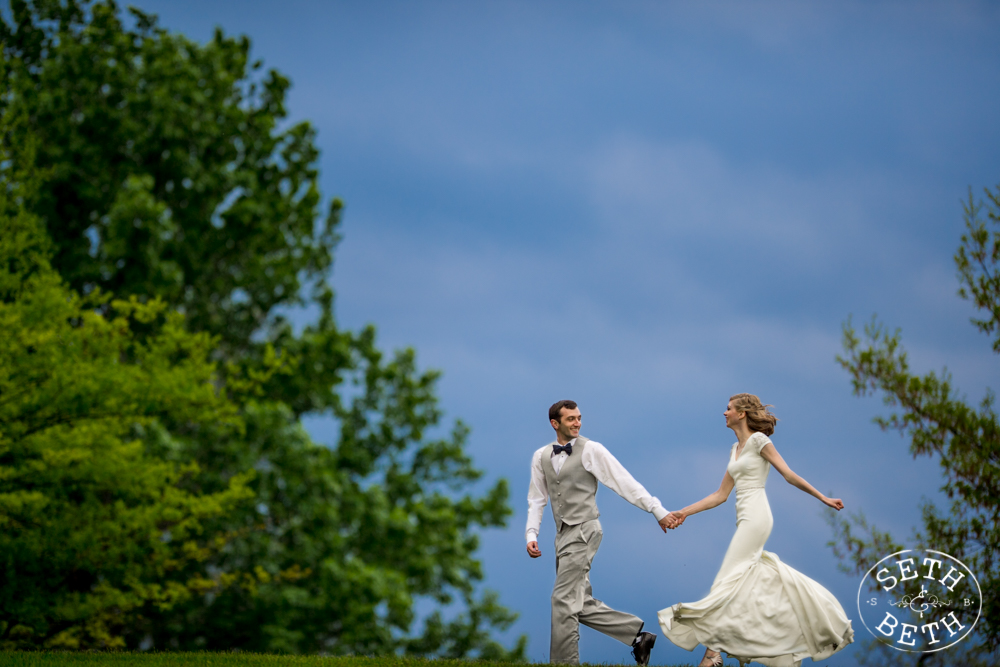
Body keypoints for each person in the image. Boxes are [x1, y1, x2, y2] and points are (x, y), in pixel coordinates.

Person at [657, 393, 854, 667]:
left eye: (728, 409)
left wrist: (823, 497)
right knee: (745, 584)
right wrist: (683, 512)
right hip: (744, 518)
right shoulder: (734, 449)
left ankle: (713, 655)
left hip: (757, 518)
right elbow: (720, 495)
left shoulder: (760, 441)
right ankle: (771, 645)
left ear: (741, 413)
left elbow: (788, 474)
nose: (724, 413)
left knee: (723, 583)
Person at [526, 399, 671, 665]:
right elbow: (537, 499)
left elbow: (623, 481)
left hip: (584, 530)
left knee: (562, 600)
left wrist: (656, 509)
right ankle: (637, 636)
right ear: (554, 423)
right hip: (562, 535)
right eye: (571, 419)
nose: (577, 423)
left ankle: (564, 663)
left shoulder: (591, 449)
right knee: (577, 602)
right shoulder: (541, 456)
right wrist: (531, 535)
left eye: (579, 417)